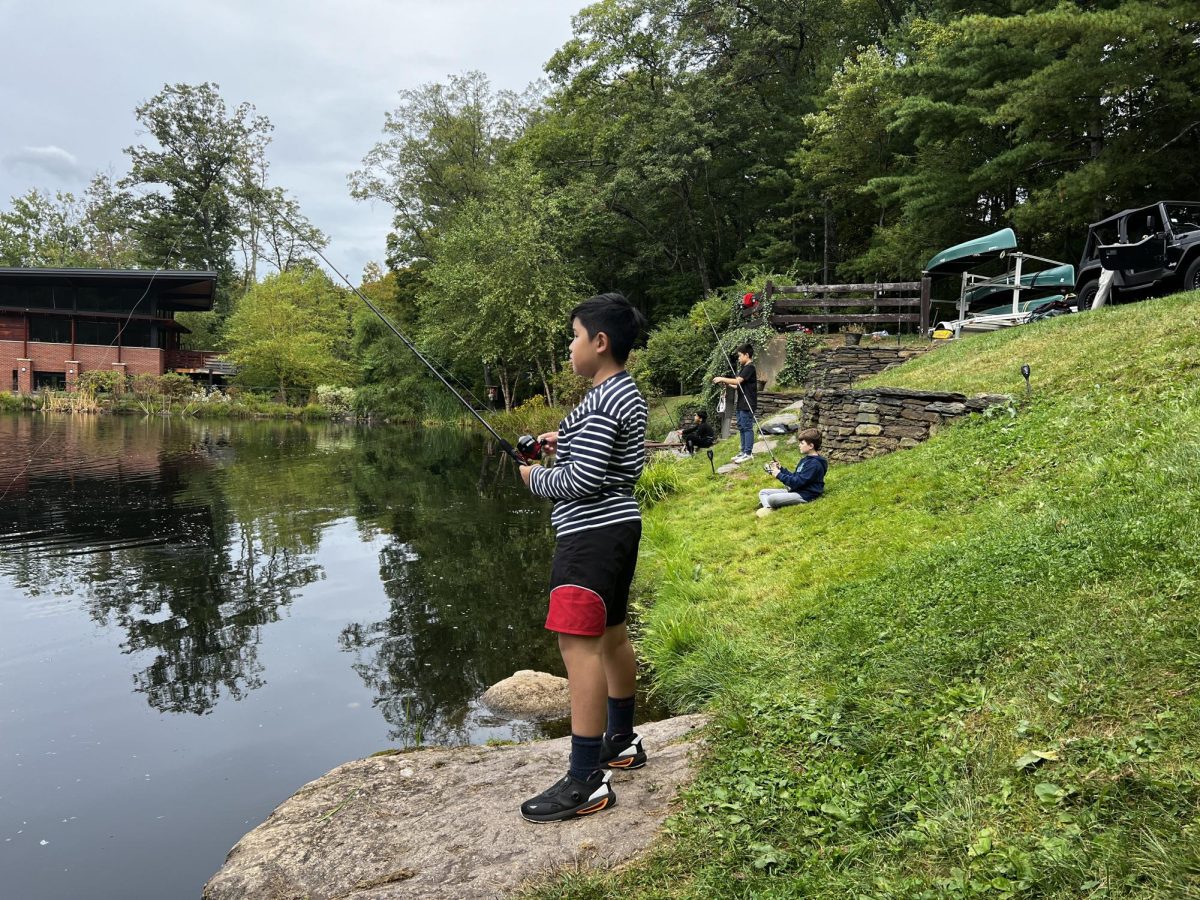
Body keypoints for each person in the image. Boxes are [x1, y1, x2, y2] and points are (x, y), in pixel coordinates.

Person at [518, 292, 649, 823]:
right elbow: (606, 457)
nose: (569, 348)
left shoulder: (600, 402)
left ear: (599, 342)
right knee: (612, 636)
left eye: (574, 336)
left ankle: (585, 780)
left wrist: (533, 478)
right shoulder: (623, 395)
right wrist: (563, 436)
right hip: (619, 529)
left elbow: (582, 480)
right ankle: (619, 742)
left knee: (579, 649)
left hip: (589, 538)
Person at [758, 428, 828, 514]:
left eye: (802, 443)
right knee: (763, 492)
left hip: (805, 494)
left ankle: (768, 507)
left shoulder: (815, 464)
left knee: (771, 498)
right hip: (796, 489)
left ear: (811, 446)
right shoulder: (805, 460)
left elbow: (796, 482)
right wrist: (781, 469)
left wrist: (778, 474)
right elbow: (795, 477)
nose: (799, 445)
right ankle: (768, 507)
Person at [713, 343, 757, 463]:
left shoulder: (750, 368)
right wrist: (727, 384)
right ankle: (743, 452)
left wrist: (722, 378)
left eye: (739, 356)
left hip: (748, 403)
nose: (738, 358)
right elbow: (737, 385)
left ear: (747, 355)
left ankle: (748, 453)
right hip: (741, 403)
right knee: (742, 427)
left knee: (747, 428)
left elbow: (737, 381)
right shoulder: (744, 368)